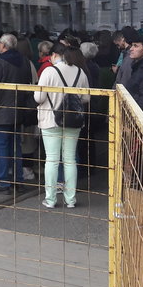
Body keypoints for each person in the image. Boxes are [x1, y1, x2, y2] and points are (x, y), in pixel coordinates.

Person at [35, 42, 88, 208]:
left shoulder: (49, 71)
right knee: (70, 159)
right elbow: (86, 98)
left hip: (50, 119)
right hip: (73, 121)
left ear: (55, 55)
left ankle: (50, 200)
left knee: (52, 160)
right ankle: (70, 199)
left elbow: (38, 98)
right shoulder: (80, 72)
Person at [0, 33, 30, 193]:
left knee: (1, 148)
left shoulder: (0, 63)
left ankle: (3, 182)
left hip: (1, 112)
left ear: (3, 46)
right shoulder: (24, 62)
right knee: (16, 147)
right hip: (18, 111)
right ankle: (18, 180)